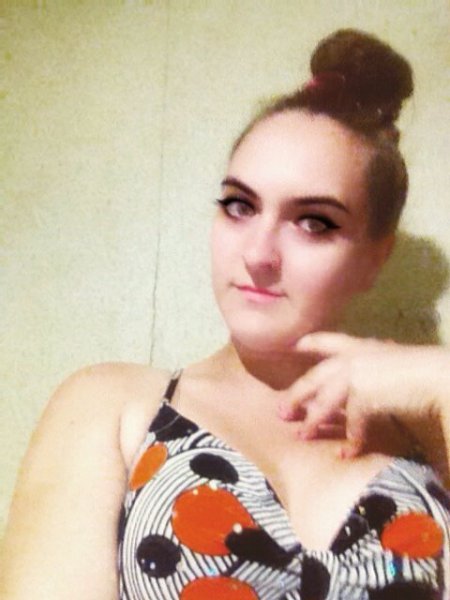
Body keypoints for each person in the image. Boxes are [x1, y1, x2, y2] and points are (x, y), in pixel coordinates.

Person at [1, 29, 449, 600]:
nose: (258, 254)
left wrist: (442, 381)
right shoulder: (113, 406)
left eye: (314, 222)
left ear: (374, 258)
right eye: (239, 206)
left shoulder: (431, 436)